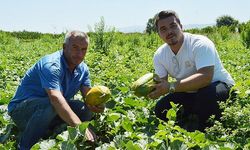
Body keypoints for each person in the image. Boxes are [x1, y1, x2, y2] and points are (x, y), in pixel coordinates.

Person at [8, 30, 105, 149]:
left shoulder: (83, 69)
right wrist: (80, 127)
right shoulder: (52, 65)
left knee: (85, 109)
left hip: (48, 111)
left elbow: (88, 97)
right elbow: (55, 99)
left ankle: (52, 132)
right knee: (52, 103)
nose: (79, 53)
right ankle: (24, 146)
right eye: (75, 47)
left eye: (83, 49)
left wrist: (97, 105)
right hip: (22, 112)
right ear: (64, 47)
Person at [148, 10, 235, 131]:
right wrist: (150, 90)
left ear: (181, 27)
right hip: (188, 91)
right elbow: (163, 83)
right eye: (163, 29)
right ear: (158, 34)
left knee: (206, 96)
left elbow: (205, 77)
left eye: (173, 26)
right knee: (161, 108)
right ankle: (195, 117)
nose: (169, 32)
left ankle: (203, 126)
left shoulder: (200, 43)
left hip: (218, 85)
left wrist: (171, 86)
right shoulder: (159, 55)